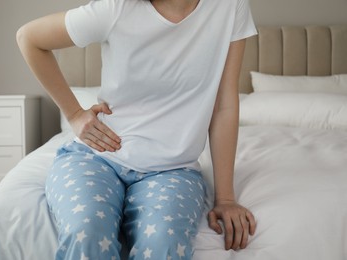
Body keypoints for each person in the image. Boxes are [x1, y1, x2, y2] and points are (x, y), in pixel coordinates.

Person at [17, 0, 257, 259]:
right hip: (96, 158)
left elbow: (223, 106)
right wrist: (75, 114)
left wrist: (226, 199)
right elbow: (29, 38)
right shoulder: (115, 8)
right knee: (86, 230)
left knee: (163, 243)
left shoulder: (230, 6)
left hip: (172, 169)